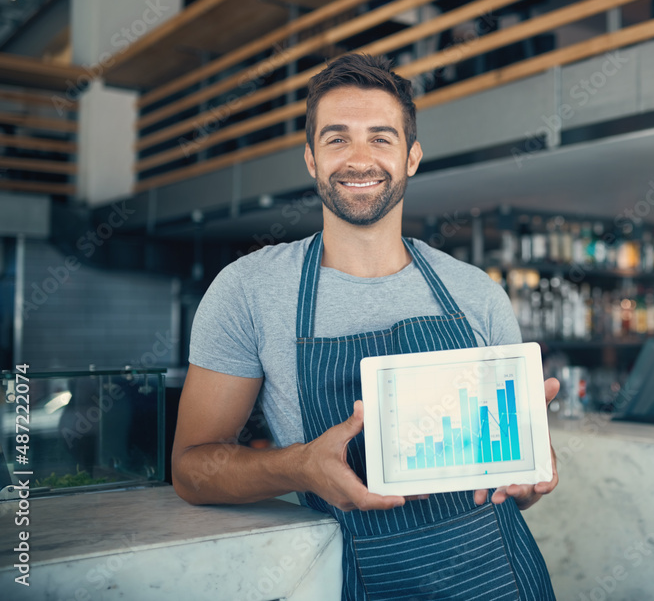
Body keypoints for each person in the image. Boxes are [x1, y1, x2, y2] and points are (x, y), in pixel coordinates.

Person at [172, 52, 559, 600]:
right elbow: (191, 470)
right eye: (337, 139)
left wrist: (533, 469)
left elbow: (518, 469)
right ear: (310, 159)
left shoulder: (475, 291)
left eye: (381, 138)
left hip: (500, 575)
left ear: (412, 157)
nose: (359, 158)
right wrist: (301, 466)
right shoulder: (247, 291)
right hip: (368, 577)